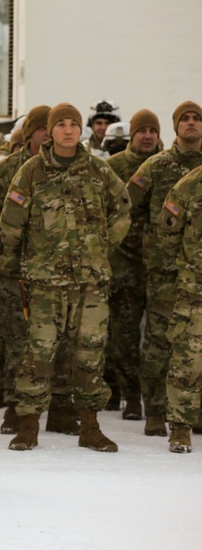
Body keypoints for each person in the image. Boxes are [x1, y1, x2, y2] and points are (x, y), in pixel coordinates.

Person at [0, 103, 130, 452]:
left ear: (81, 130)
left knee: (90, 354)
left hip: (90, 282)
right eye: (61, 125)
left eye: (74, 124)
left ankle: (89, 425)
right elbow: (11, 223)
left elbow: (123, 210)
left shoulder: (99, 172)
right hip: (45, 282)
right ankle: (28, 425)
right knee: (38, 354)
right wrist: (15, 264)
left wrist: (102, 246)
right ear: (51, 131)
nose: (69, 130)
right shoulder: (31, 173)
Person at [126, 100, 202, 436]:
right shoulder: (157, 166)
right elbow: (125, 207)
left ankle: (192, 412)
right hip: (166, 274)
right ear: (174, 127)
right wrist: (147, 243)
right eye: (184, 119)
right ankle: (156, 409)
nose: (190, 123)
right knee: (159, 341)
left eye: (196, 118)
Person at [0, 106, 50, 432]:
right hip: (16, 271)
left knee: (56, 340)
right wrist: (7, 248)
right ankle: (15, 404)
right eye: (43, 129)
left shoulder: (71, 167)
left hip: (58, 273)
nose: (49, 135)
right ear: (30, 134)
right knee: (17, 340)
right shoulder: (9, 170)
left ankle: (59, 405)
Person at [103, 109, 161, 420]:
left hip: (162, 267)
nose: (148, 136)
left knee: (159, 337)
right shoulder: (113, 168)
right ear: (132, 135)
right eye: (142, 131)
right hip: (123, 266)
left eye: (153, 131)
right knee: (122, 334)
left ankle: (156, 397)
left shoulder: (169, 166)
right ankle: (128, 394)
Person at [157, 164, 202, 453]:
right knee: (188, 358)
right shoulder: (189, 185)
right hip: (196, 288)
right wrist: (189, 269)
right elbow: (168, 234)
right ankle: (181, 426)